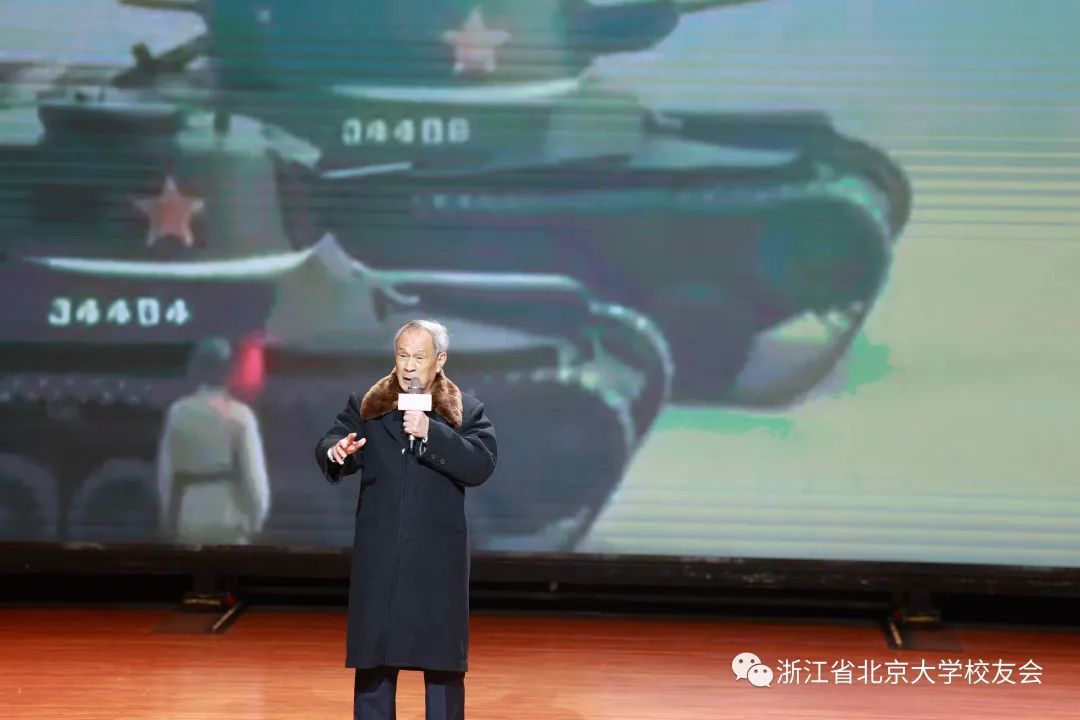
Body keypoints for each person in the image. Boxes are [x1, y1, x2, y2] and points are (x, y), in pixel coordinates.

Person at [314, 319, 497, 720]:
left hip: (437, 561)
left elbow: (481, 464)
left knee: (442, 666)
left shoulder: (464, 410)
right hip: (381, 556)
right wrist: (337, 451)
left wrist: (432, 433)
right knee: (374, 663)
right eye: (402, 355)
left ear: (439, 361)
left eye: (419, 357)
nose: (409, 366)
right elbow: (332, 441)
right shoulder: (369, 405)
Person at [156, 337, 271, 545]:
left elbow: (165, 476)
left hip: (189, 519)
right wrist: (255, 522)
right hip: (230, 520)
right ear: (228, 371)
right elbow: (254, 479)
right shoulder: (240, 415)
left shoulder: (178, 413)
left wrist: (168, 519)